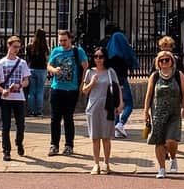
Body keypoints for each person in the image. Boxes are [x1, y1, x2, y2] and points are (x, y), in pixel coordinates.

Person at [143, 50, 184, 177]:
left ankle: (173, 158)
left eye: (167, 60)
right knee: (159, 141)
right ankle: (162, 168)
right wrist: (146, 110)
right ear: (158, 63)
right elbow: (149, 94)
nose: (164, 62)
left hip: (174, 113)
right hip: (157, 113)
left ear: (171, 62)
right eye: (161, 60)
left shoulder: (178, 75)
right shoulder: (155, 76)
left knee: (171, 140)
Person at [45, 29, 84, 157]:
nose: (62, 43)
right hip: (56, 88)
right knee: (54, 119)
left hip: (71, 90)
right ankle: (54, 145)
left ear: (70, 39)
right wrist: (54, 70)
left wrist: (82, 83)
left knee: (68, 118)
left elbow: (85, 67)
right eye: (60, 40)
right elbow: (49, 66)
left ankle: (69, 145)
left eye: (64, 40)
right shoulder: (56, 51)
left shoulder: (78, 51)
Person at [0, 35, 31, 161]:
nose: (17, 49)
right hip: (6, 99)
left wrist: (19, 85)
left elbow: (26, 81)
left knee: (21, 125)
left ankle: (19, 143)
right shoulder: (1, 63)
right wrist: (2, 90)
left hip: (19, 98)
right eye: (14, 47)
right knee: (5, 125)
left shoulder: (22, 63)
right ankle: (6, 150)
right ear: (8, 46)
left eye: (18, 47)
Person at [81, 48, 118, 174]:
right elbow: (84, 90)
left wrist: (120, 104)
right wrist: (92, 82)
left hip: (107, 106)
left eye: (101, 56)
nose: (98, 59)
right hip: (93, 106)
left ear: (105, 58)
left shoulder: (110, 71)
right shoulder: (90, 72)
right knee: (95, 137)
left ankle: (106, 163)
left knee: (106, 137)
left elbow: (117, 88)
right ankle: (96, 163)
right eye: (96, 56)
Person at [105, 23, 138, 138]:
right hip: (121, 80)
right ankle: (121, 123)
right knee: (128, 103)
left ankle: (116, 127)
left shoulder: (109, 51)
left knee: (116, 104)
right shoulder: (120, 45)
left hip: (111, 81)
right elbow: (129, 56)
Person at [24, 29, 50, 118]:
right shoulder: (45, 47)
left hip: (31, 69)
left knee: (31, 91)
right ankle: (38, 111)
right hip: (42, 69)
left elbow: (27, 59)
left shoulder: (30, 46)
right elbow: (47, 59)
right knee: (40, 91)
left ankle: (31, 111)